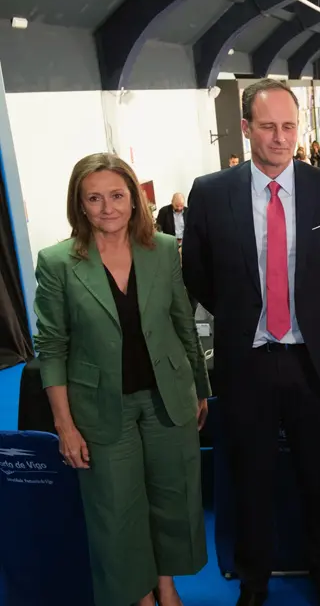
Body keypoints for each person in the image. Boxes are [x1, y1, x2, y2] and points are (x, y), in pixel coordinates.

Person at [182, 79, 320, 606]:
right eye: (268, 127)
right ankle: (254, 583)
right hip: (248, 362)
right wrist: (245, 316)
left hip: (315, 360)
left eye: (289, 126)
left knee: (319, 479)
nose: (281, 137)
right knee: (251, 482)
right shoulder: (210, 193)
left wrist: (314, 316)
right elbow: (198, 275)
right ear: (246, 128)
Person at [34, 153, 210, 606]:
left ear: (135, 198)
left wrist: (200, 388)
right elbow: (52, 347)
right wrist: (64, 425)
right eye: (94, 198)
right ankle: (140, 595)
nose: (107, 207)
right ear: (79, 204)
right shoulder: (57, 262)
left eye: (116, 195)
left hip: (168, 396)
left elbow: (182, 323)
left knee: (173, 498)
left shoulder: (163, 249)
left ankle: (166, 585)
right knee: (116, 509)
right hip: (100, 406)